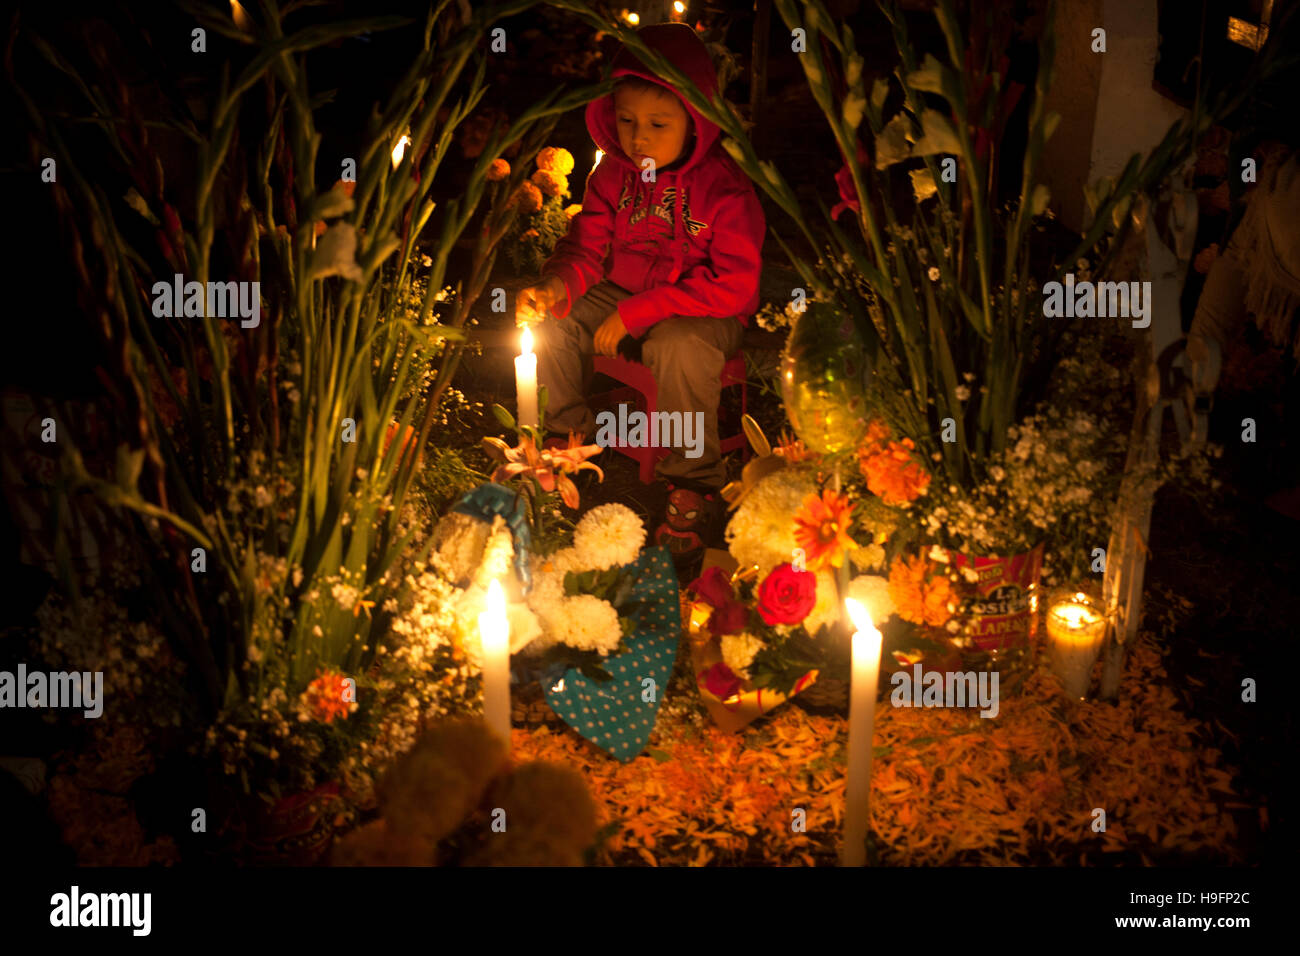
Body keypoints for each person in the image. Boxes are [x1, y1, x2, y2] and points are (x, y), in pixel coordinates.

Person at [516, 22, 765, 565]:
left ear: (696, 118)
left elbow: (734, 283)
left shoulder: (725, 186)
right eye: (626, 121)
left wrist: (641, 311)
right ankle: (566, 438)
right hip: (625, 293)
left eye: (658, 123)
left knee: (677, 345)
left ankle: (693, 480)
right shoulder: (613, 178)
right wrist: (556, 284)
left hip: (705, 310)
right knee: (558, 317)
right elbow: (585, 249)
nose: (639, 137)